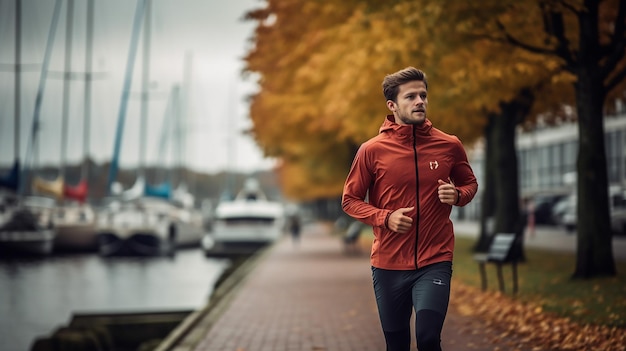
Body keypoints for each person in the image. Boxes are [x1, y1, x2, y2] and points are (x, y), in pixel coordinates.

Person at [341, 67, 478, 351]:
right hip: (388, 264)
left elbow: (470, 184)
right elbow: (350, 200)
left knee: (428, 339)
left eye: (423, 95)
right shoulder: (371, 150)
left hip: (435, 259)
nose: (420, 101)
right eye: (411, 96)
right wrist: (385, 218)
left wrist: (458, 195)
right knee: (398, 344)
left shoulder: (449, 144)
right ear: (392, 105)